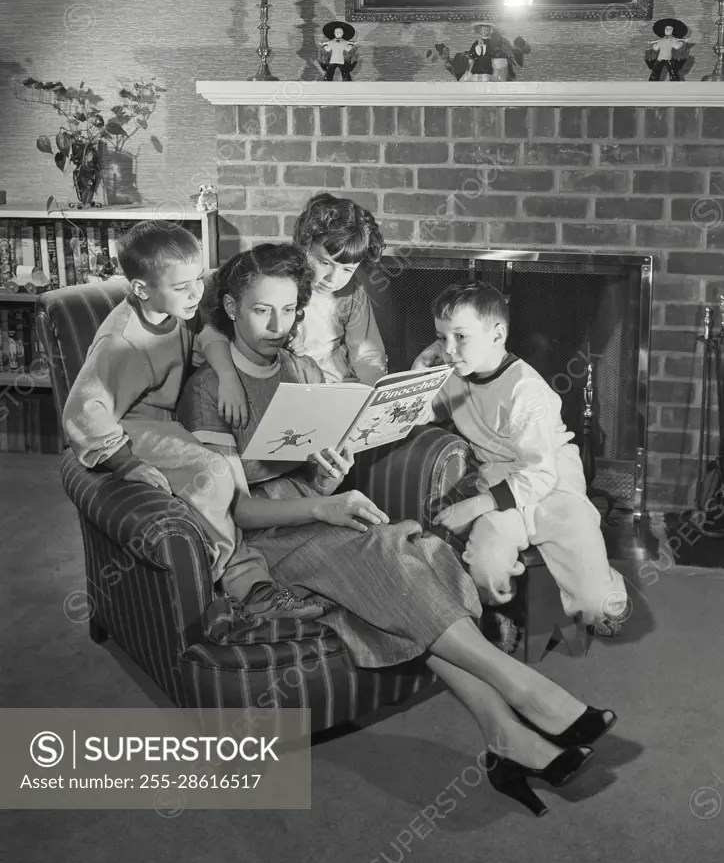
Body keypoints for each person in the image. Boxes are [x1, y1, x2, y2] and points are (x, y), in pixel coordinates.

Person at [175, 243, 618, 818]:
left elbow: (321, 475)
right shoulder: (208, 391)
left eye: (288, 311)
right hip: (266, 537)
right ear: (232, 308)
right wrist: (322, 508)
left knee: (413, 562)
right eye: (262, 311)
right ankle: (527, 691)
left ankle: (506, 740)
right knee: (392, 557)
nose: (277, 326)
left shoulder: (304, 370)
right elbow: (236, 513)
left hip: (317, 516)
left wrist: (329, 476)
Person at [61, 219, 305, 618]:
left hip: (169, 423)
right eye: (181, 287)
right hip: (131, 428)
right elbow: (83, 409)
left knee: (226, 474)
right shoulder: (120, 343)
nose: (195, 294)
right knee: (214, 472)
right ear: (142, 290)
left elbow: (206, 333)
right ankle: (241, 584)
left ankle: (235, 575)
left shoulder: (179, 309)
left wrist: (226, 374)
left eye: (197, 280)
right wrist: (126, 462)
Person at [423, 280, 630, 637]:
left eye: (460, 336)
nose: (449, 349)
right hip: (501, 483)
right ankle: (504, 610)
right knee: (486, 567)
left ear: (497, 334)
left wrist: (474, 507)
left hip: (550, 481)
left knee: (596, 599)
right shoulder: (453, 377)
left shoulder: (525, 391)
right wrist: (420, 369)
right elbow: (422, 413)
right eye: (441, 338)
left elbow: (539, 472)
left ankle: (604, 592)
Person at [203, 193, 388, 428]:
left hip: (336, 384)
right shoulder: (280, 279)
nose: (333, 278)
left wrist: (368, 392)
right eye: (324, 263)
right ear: (305, 245)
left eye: (347, 270)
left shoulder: (353, 293)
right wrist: (227, 376)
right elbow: (215, 330)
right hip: (285, 382)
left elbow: (367, 353)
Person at [645, 17, 688, 82]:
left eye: (670, 29)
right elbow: (656, 48)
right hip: (660, 58)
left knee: (673, 72)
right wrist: (653, 44)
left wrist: (681, 42)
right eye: (666, 29)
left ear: (673, 30)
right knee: (655, 72)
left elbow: (676, 46)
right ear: (664, 30)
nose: (668, 30)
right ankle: (652, 83)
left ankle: (675, 83)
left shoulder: (674, 39)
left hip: (669, 58)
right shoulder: (660, 40)